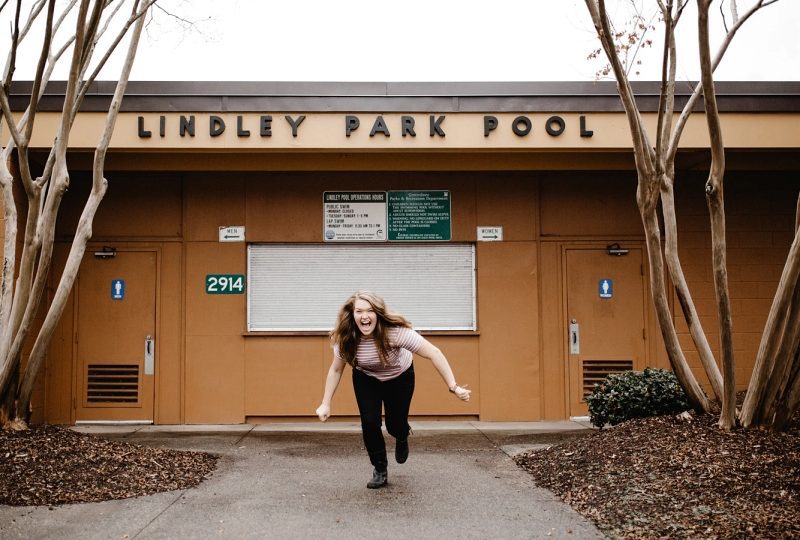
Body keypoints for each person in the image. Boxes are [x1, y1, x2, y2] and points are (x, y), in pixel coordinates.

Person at [315, 290, 471, 489]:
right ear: (351, 314)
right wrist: (325, 403)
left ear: (378, 314)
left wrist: (453, 386)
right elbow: (336, 369)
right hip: (367, 377)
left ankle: (402, 434)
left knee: (394, 424)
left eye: (370, 311)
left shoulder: (394, 333)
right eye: (359, 311)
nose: (364, 316)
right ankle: (380, 469)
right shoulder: (346, 338)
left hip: (399, 377)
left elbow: (434, 353)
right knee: (370, 423)